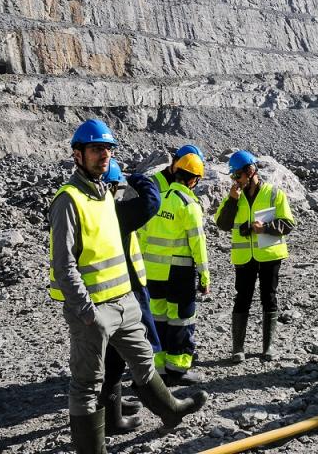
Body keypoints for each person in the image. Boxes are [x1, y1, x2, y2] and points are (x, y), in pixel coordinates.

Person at [49, 120, 207, 453]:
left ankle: (171, 410)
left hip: (124, 302)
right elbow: (63, 265)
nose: (103, 155)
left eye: (107, 149)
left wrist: (129, 301)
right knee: (87, 386)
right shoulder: (69, 200)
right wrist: (86, 311)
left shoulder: (105, 195)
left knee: (144, 363)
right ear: (77, 155)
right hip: (93, 310)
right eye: (95, 149)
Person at [98, 160, 162, 434]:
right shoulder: (115, 213)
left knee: (108, 355)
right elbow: (151, 201)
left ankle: (113, 406)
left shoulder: (91, 212)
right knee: (123, 354)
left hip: (103, 291)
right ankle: (115, 419)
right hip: (123, 289)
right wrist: (136, 177)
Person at [214, 151, 295, 363]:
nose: (235, 180)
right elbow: (222, 224)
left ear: (250, 171)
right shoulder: (235, 197)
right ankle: (238, 349)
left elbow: (288, 223)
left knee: (269, 297)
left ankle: (268, 347)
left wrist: (266, 228)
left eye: (237, 176)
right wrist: (232, 200)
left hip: (269, 255)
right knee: (242, 299)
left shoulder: (274, 194)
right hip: (244, 257)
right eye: (233, 177)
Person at [142, 152, 211, 386]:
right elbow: (197, 243)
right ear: (194, 180)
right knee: (182, 318)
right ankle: (178, 368)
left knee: (157, 318)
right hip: (178, 272)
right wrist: (204, 274)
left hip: (152, 272)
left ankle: (158, 368)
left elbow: (143, 235)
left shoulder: (159, 199)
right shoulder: (189, 205)